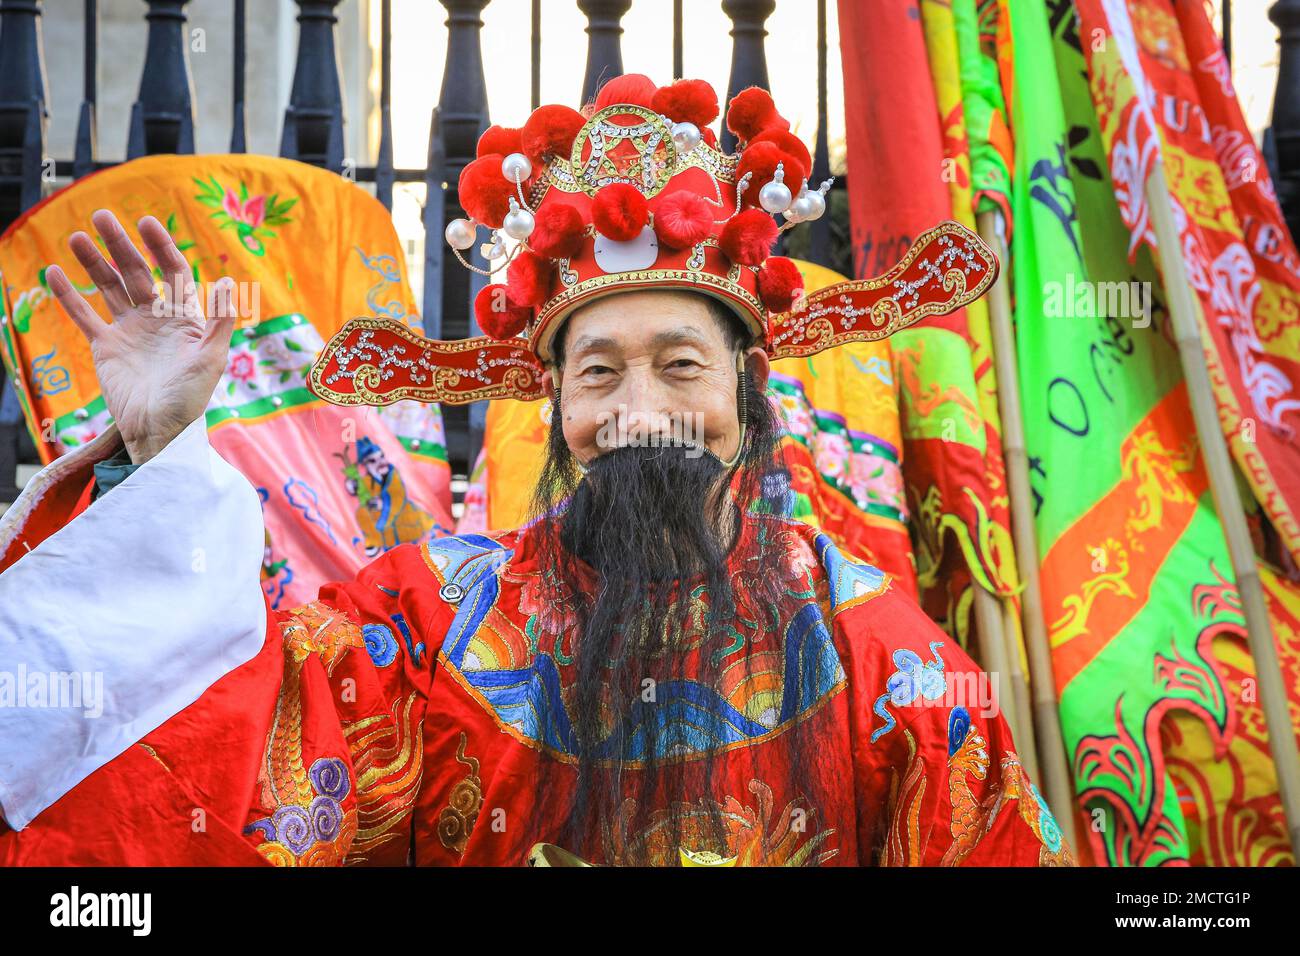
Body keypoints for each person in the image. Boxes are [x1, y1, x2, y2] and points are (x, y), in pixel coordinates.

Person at [0, 75, 1072, 866]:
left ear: (747, 388)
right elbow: (222, 779)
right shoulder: (422, 627)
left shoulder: (882, 655)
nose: (639, 411)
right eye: (598, 371)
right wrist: (156, 460)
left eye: (680, 365)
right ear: (554, 403)